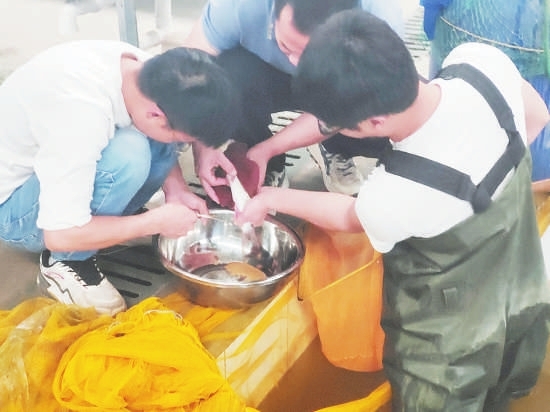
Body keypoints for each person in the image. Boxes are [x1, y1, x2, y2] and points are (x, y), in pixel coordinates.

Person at [237, 10, 550, 411]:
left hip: (448, 355)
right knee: (508, 396)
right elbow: (537, 116)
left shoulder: (397, 194)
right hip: (522, 297)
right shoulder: (479, 63)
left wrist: (269, 198)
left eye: (338, 125)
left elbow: (349, 217)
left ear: (375, 121)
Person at [0, 40, 239, 316]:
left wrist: (177, 189)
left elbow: (159, 133)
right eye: (183, 140)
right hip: (15, 213)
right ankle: (67, 264)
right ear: (155, 115)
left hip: (54, 171)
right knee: (128, 155)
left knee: (147, 141)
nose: (181, 146)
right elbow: (60, 234)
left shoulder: (147, 72)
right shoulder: (79, 117)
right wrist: (151, 223)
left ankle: (112, 224)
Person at [181, 0, 403, 198]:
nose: (297, 64)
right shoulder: (239, 5)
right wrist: (203, 143)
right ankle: (259, 155)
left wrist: (270, 148)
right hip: (265, 74)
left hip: (334, 84)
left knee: (379, 107)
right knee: (229, 69)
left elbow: (359, 101)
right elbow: (189, 70)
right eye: (286, 45)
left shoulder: (379, 18)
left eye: (311, 53)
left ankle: (339, 148)